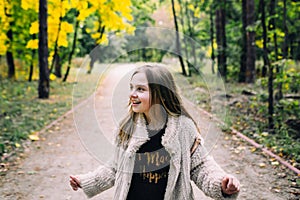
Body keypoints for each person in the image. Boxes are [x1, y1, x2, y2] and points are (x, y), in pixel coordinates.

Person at [70, 64, 240, 199]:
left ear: (162, 94)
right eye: (132, 88)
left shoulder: (183, 129)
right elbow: (115, 168)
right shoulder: (127, 128)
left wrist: (221, 183)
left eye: (141, 89)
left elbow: (201, 166)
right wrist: (87, 181)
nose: (132, 94)